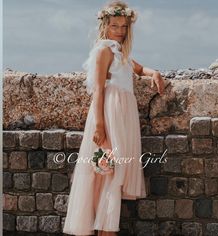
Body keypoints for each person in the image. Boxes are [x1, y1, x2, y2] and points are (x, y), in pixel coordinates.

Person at [63, 1, 165, 236]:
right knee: (108, 173)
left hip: (124, 117)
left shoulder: (121, 52)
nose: (119, 30)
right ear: (105, 26)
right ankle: (106, 231)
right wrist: (100, 126)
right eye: (114, 25)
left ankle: (107, 230)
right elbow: (98, 89)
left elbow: (139, 70)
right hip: (109, 117)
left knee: (113, 174)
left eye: (123, 26)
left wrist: (155, 73)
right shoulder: (103, 50)